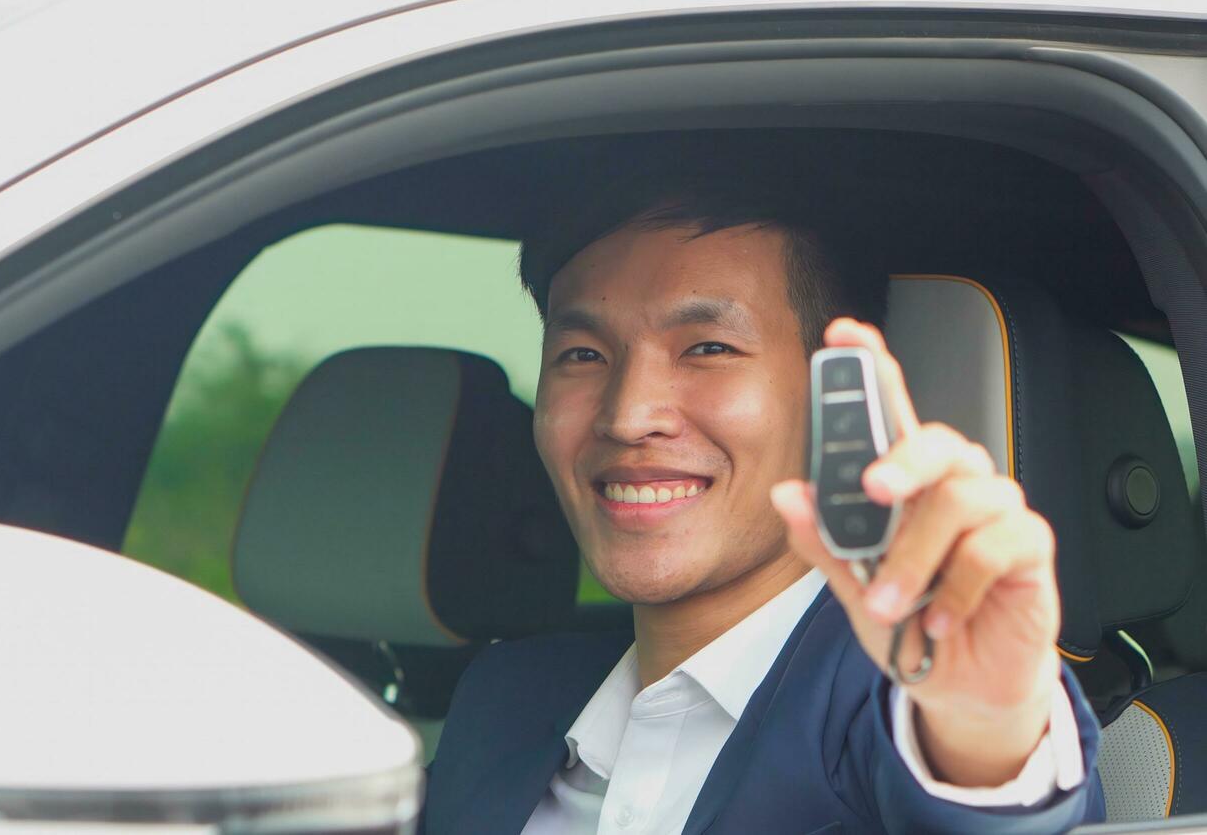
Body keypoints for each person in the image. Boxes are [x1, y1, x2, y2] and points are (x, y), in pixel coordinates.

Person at [420, 144, 1105, 834]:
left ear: (834, 394)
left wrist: (986, 735)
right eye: (582, 355)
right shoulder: (504, 699)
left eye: (708, 348)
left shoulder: (904, 705)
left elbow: (991, 800)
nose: (628, 416)